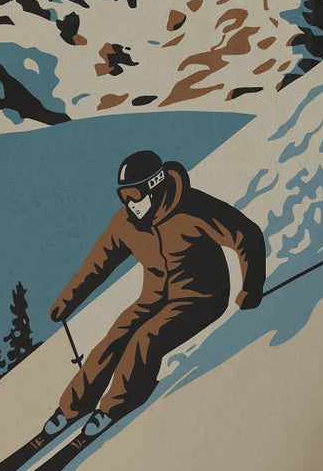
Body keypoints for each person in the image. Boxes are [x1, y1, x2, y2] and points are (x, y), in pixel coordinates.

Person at [45, 149, 266, 441]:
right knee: (116, 335)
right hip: (153, 298)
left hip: (200, 296)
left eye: (135, 195)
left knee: (146, 338)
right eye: (123, 197)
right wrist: (66, 302)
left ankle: (118, 403)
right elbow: (96, 265)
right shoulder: (126, 224)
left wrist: (251, 288)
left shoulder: (192, 208)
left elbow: (246, 235)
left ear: (155, 184)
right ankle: (73, 406)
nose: (130, 204)